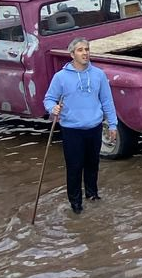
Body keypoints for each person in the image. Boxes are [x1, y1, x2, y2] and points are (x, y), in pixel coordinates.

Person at [42, 37, 119, 214]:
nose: (85, 53)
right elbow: (49, 99)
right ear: (72, 54)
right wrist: (52, 108)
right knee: (75, 167)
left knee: (93, 165)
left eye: (87, 49)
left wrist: (113, 125)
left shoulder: (98, 74)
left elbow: (107, 101)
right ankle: (76, 204)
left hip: (95, 127)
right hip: (72, 130)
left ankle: (92, 195)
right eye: (80, 50)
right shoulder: (60, 77)